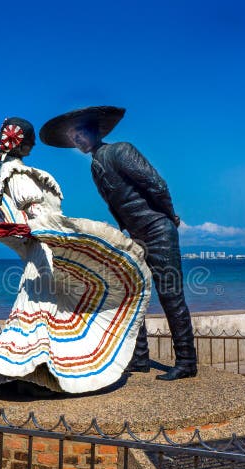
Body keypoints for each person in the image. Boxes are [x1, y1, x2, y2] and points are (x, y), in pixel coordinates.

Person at [0, 118, 151, 394]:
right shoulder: (18, 176)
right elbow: (39, 216)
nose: (33, 148)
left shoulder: (0, 167)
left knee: (40, 312)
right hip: (43, 249)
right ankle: (35, 371)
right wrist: (68, 234)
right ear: (24, 146)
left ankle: (31, 371)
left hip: (37, 251)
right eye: (30, 143)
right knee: (45, 310)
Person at [39, 106, 198, 381]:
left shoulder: (121, 150)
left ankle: (187, 361)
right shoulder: (95, 165)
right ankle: (140, 358)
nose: (77, 141)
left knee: (171, 297)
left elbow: (156, 184)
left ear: (95, 131)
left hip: (157, 231)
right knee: (132, 294)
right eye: (73, 137)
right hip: (135, 237)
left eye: (80, 134)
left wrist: (170, 216)